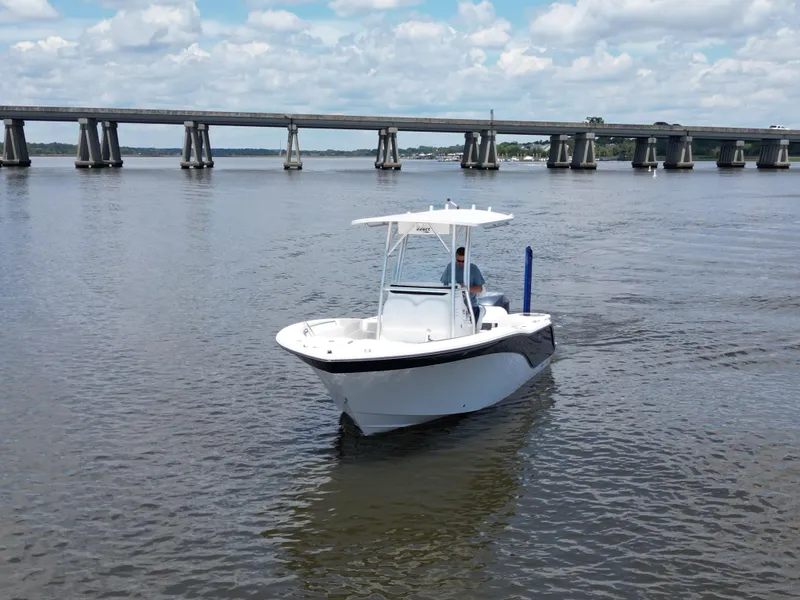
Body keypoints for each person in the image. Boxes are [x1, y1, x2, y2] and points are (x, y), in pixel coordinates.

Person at [440, 247, 485, 326]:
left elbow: (480, 289)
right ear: (455, 258)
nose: (460, 263)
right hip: (452, 305)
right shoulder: (450, 267)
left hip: (470, 306)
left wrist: (466, 287)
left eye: (463, 261)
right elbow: (444, 285)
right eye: (458, 261)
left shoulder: (473, 269)